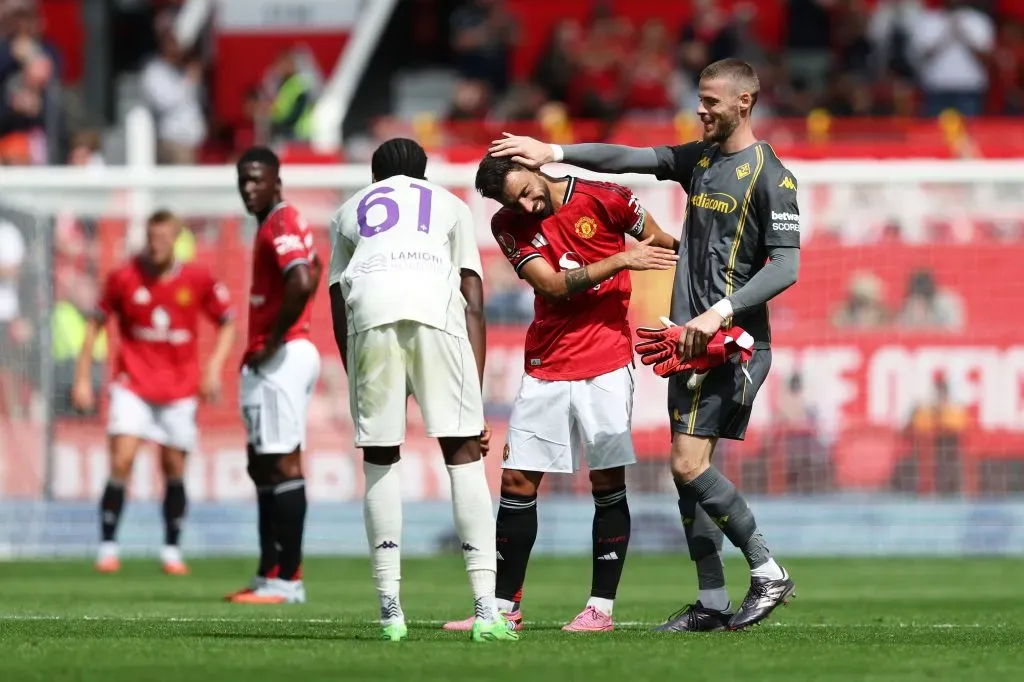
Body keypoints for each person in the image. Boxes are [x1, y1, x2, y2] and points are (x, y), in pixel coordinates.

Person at [488, 57, 799, 631]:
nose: (700, 109)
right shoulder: (700, 160)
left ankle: (768, 571)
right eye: (699, 99)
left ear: (744, 103)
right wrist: (552, 152)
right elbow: (626, 160)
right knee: (687, 478)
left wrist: (719, 312)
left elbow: (787, 266)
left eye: (710, 100)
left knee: (686, 465)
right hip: (684, 340)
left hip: (731, 339)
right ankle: (711, 601)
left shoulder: (772, 177)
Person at [443, 152, 679, 633]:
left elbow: (669, 245)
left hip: (607, 364)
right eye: (515, 201)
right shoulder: (507, 225)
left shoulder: (607, 198)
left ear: (534, 169)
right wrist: (620, 258)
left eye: (527, 191)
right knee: (515, 484)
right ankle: (504, 607)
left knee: (607, 483)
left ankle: (600, 609)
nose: (528, 205)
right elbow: (551, 287)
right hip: (546, 365)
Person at [327, 138, 513, 643]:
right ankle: (486, 612)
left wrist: (354, 372)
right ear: (424, 175)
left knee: (381, 457)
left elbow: (338, 298)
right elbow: (472, 296)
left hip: (369, 317)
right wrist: (472, 401)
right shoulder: (450, 204)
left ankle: (390, 612)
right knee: (462, 453)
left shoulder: (348, 210)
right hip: (435, 310)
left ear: (375, 175)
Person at [72, 209, 235, 575]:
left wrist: (212, 369)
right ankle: (108, 546)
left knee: (173, 466)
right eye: (151, 238)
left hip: (178, 390)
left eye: (163, 239)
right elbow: (95, 324)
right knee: (122, 460)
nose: (156, 245)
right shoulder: (124, 277)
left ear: (176, 239)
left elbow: (227, 323)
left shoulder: (197, 279)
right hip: (133, 386)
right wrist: (83, 377)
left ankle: (171, 549)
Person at [225, 146, 321, 604]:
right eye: (243, 179)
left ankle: (290, 579)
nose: (249, 188)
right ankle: (268, 573)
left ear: (276, 180)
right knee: (262, 463)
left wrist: (272, 339)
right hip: (279, 356)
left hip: (282, 356)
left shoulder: (280, 220)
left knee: (282, 462)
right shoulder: (278, 221)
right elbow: (315, 269)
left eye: (257, 179)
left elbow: (302, 279)